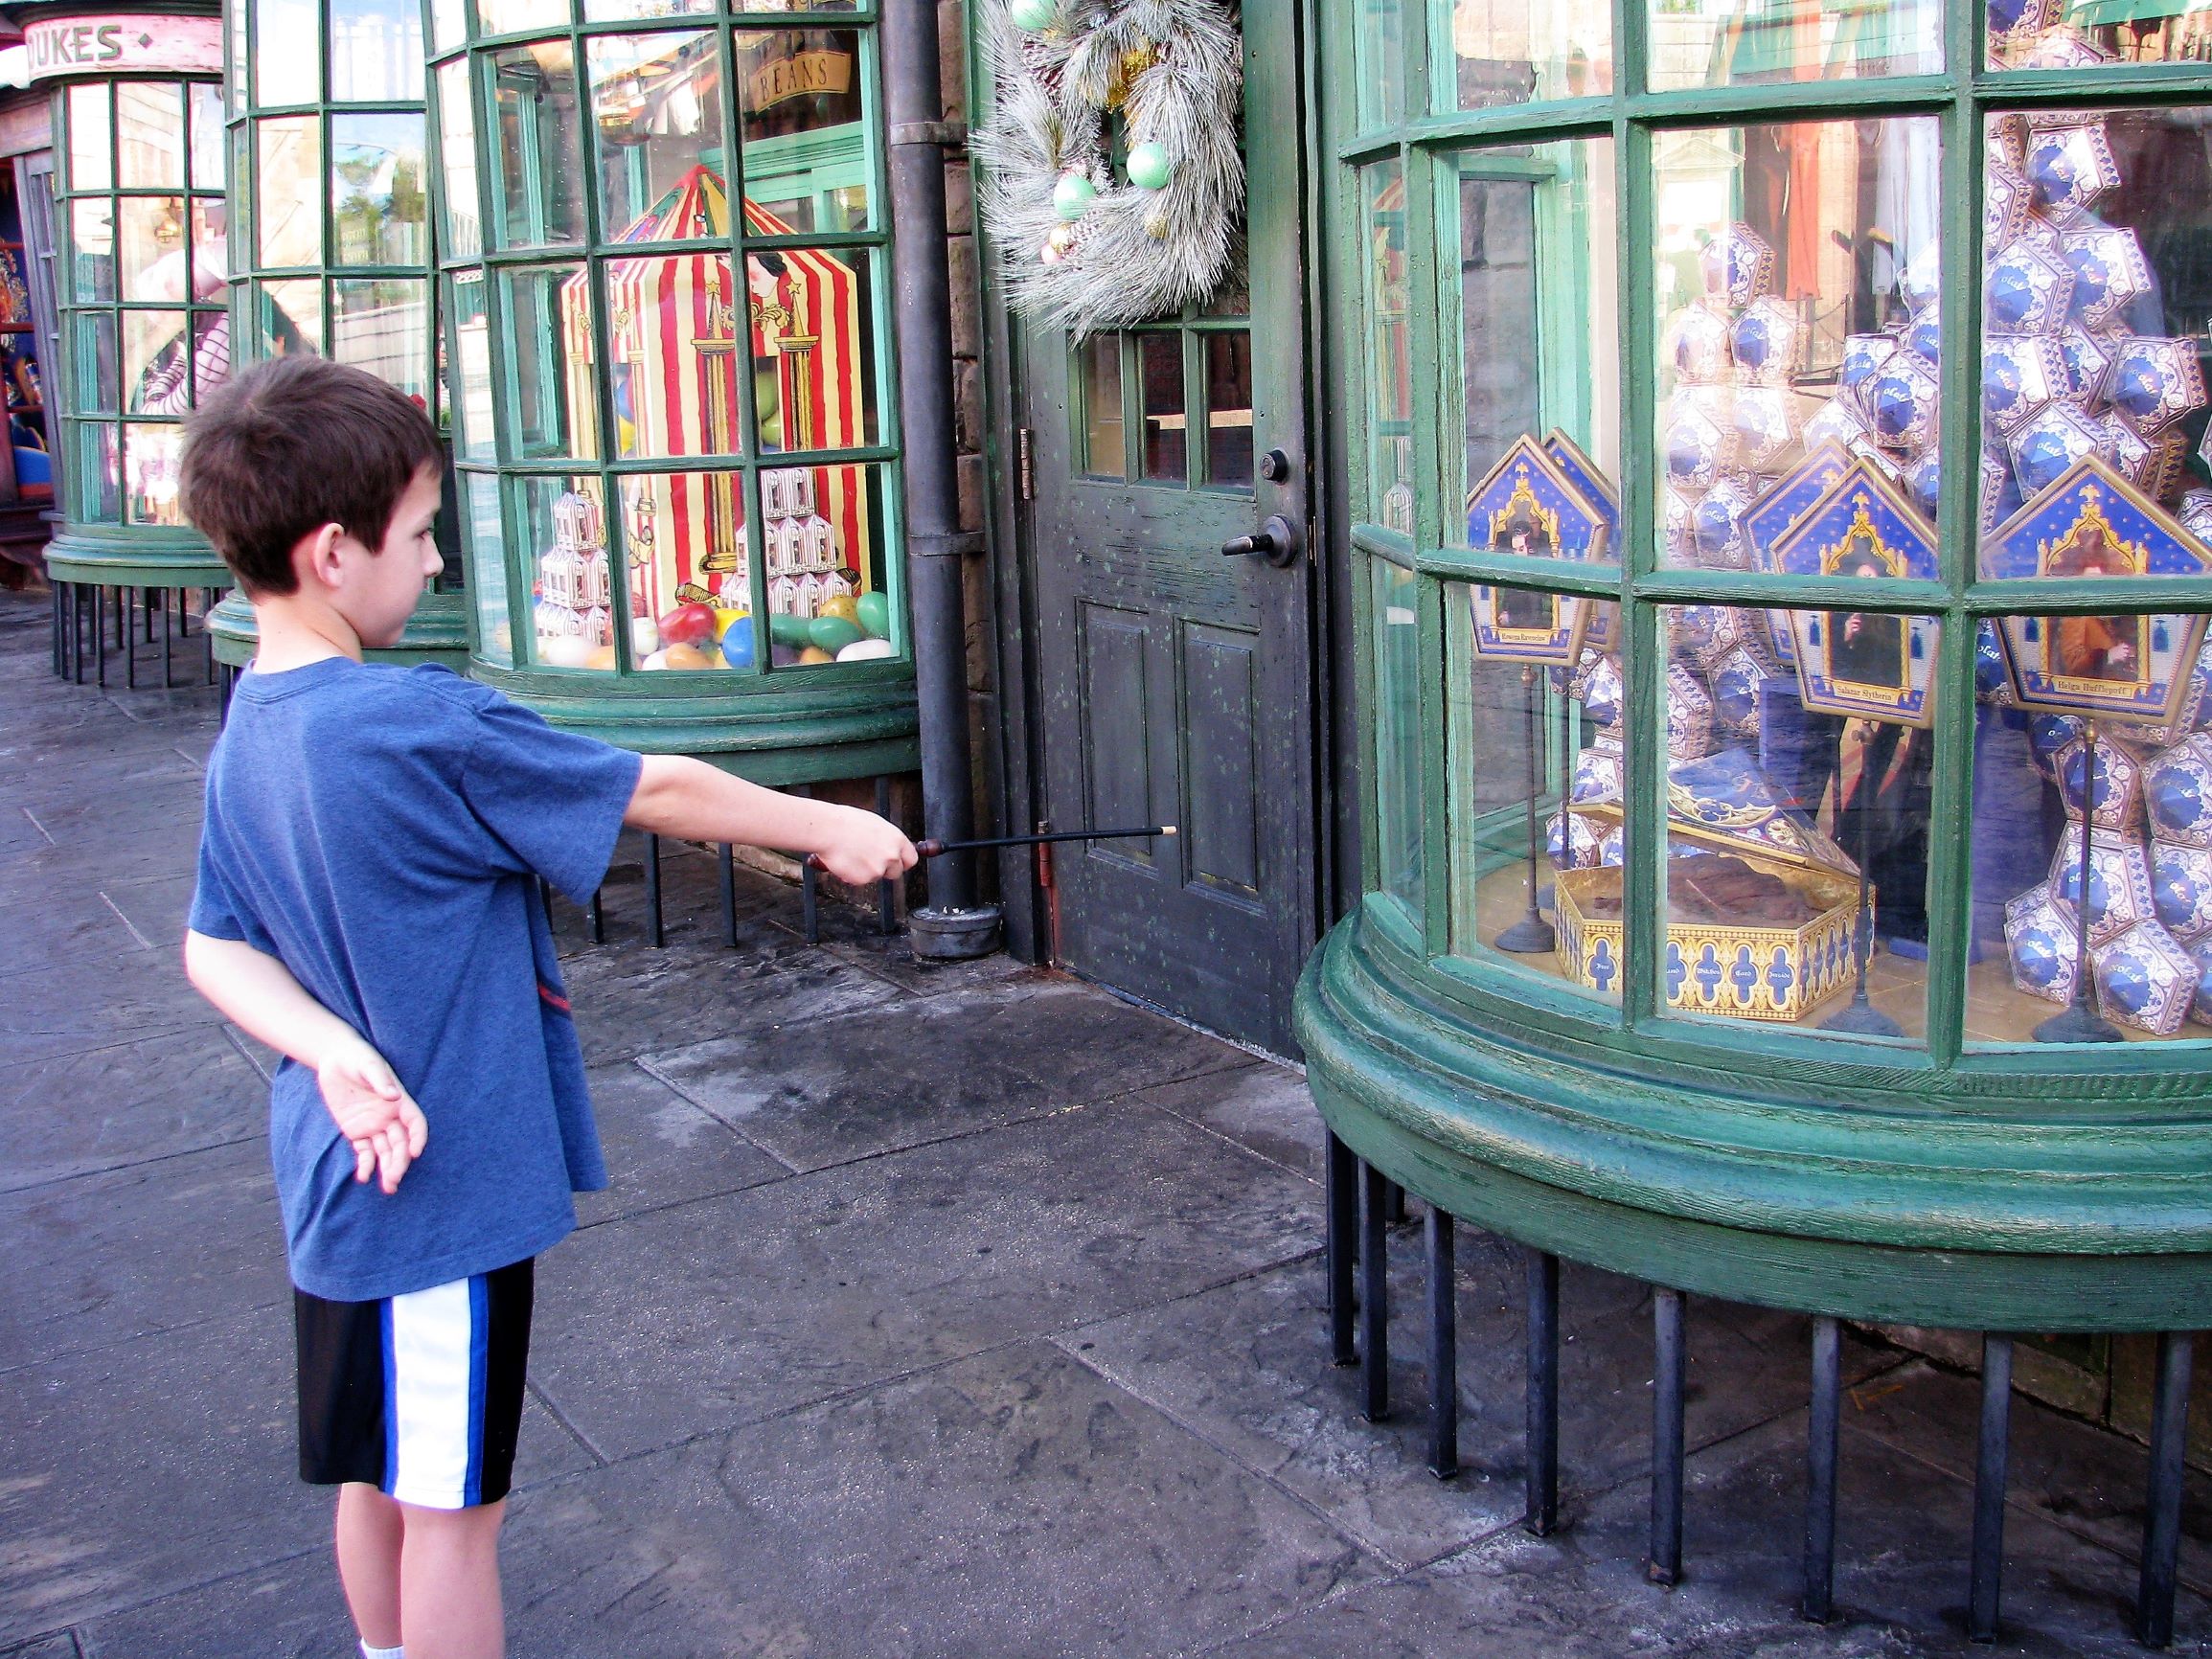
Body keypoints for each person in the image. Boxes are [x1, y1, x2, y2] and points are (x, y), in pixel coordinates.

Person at [174, 356, 914, 1659]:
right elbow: (657, 787)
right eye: (419, 536)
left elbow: (212, 951)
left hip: (337, 1178)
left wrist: (332, 1048)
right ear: (334, 553)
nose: (435, 562)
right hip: (434, 1199)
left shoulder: (254, 726)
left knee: (373, 1476)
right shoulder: (415, 720)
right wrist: (828, 827)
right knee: (456, 1512)